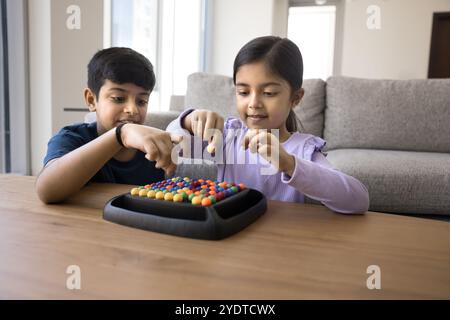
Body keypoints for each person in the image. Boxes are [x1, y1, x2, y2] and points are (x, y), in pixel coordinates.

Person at [167, 36, 369, 214]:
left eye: (269, 93)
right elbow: (171, 148)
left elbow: (358, 201)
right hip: (228, 238)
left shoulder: (303, 150)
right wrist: (187, 120)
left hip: (277, 244)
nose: (254, 103)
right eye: (244, 92)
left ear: (296, 97)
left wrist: (290, 163)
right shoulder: (227, 137)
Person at [36, 47, 180, 204]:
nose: (132, 109)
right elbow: (46, 190)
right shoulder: (71, 138)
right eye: (118, 98)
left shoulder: (154, 146)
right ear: (91, 100)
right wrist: (120, 134)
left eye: (141, 101)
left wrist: (188, 121)